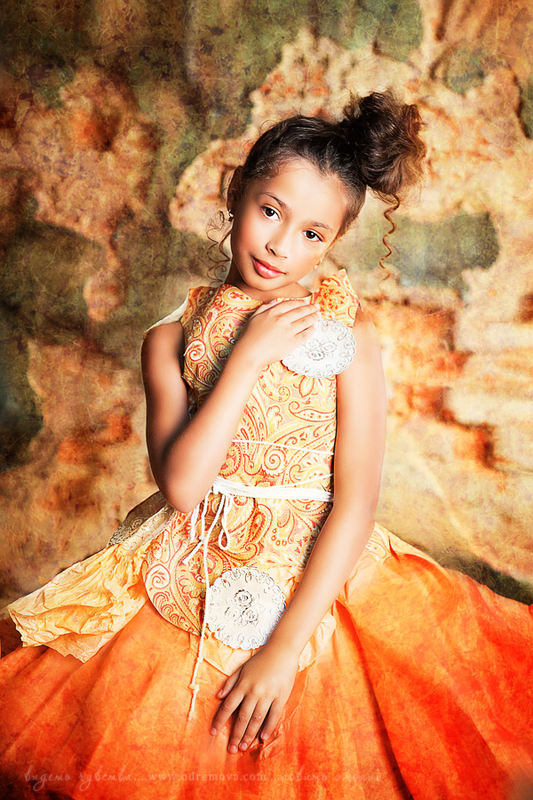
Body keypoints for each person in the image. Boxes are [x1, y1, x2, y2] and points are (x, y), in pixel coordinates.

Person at [0, 92, 532, 800]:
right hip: (186, 574)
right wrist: (247, 356)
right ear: (236, 192)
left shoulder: (350, 335)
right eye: (270, 210)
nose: (282, 246)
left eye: (312, 233)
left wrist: (283, 651)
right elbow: (183, 489)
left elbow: (355, 504)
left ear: (334, 241)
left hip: (320, 590)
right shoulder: (168, 340)